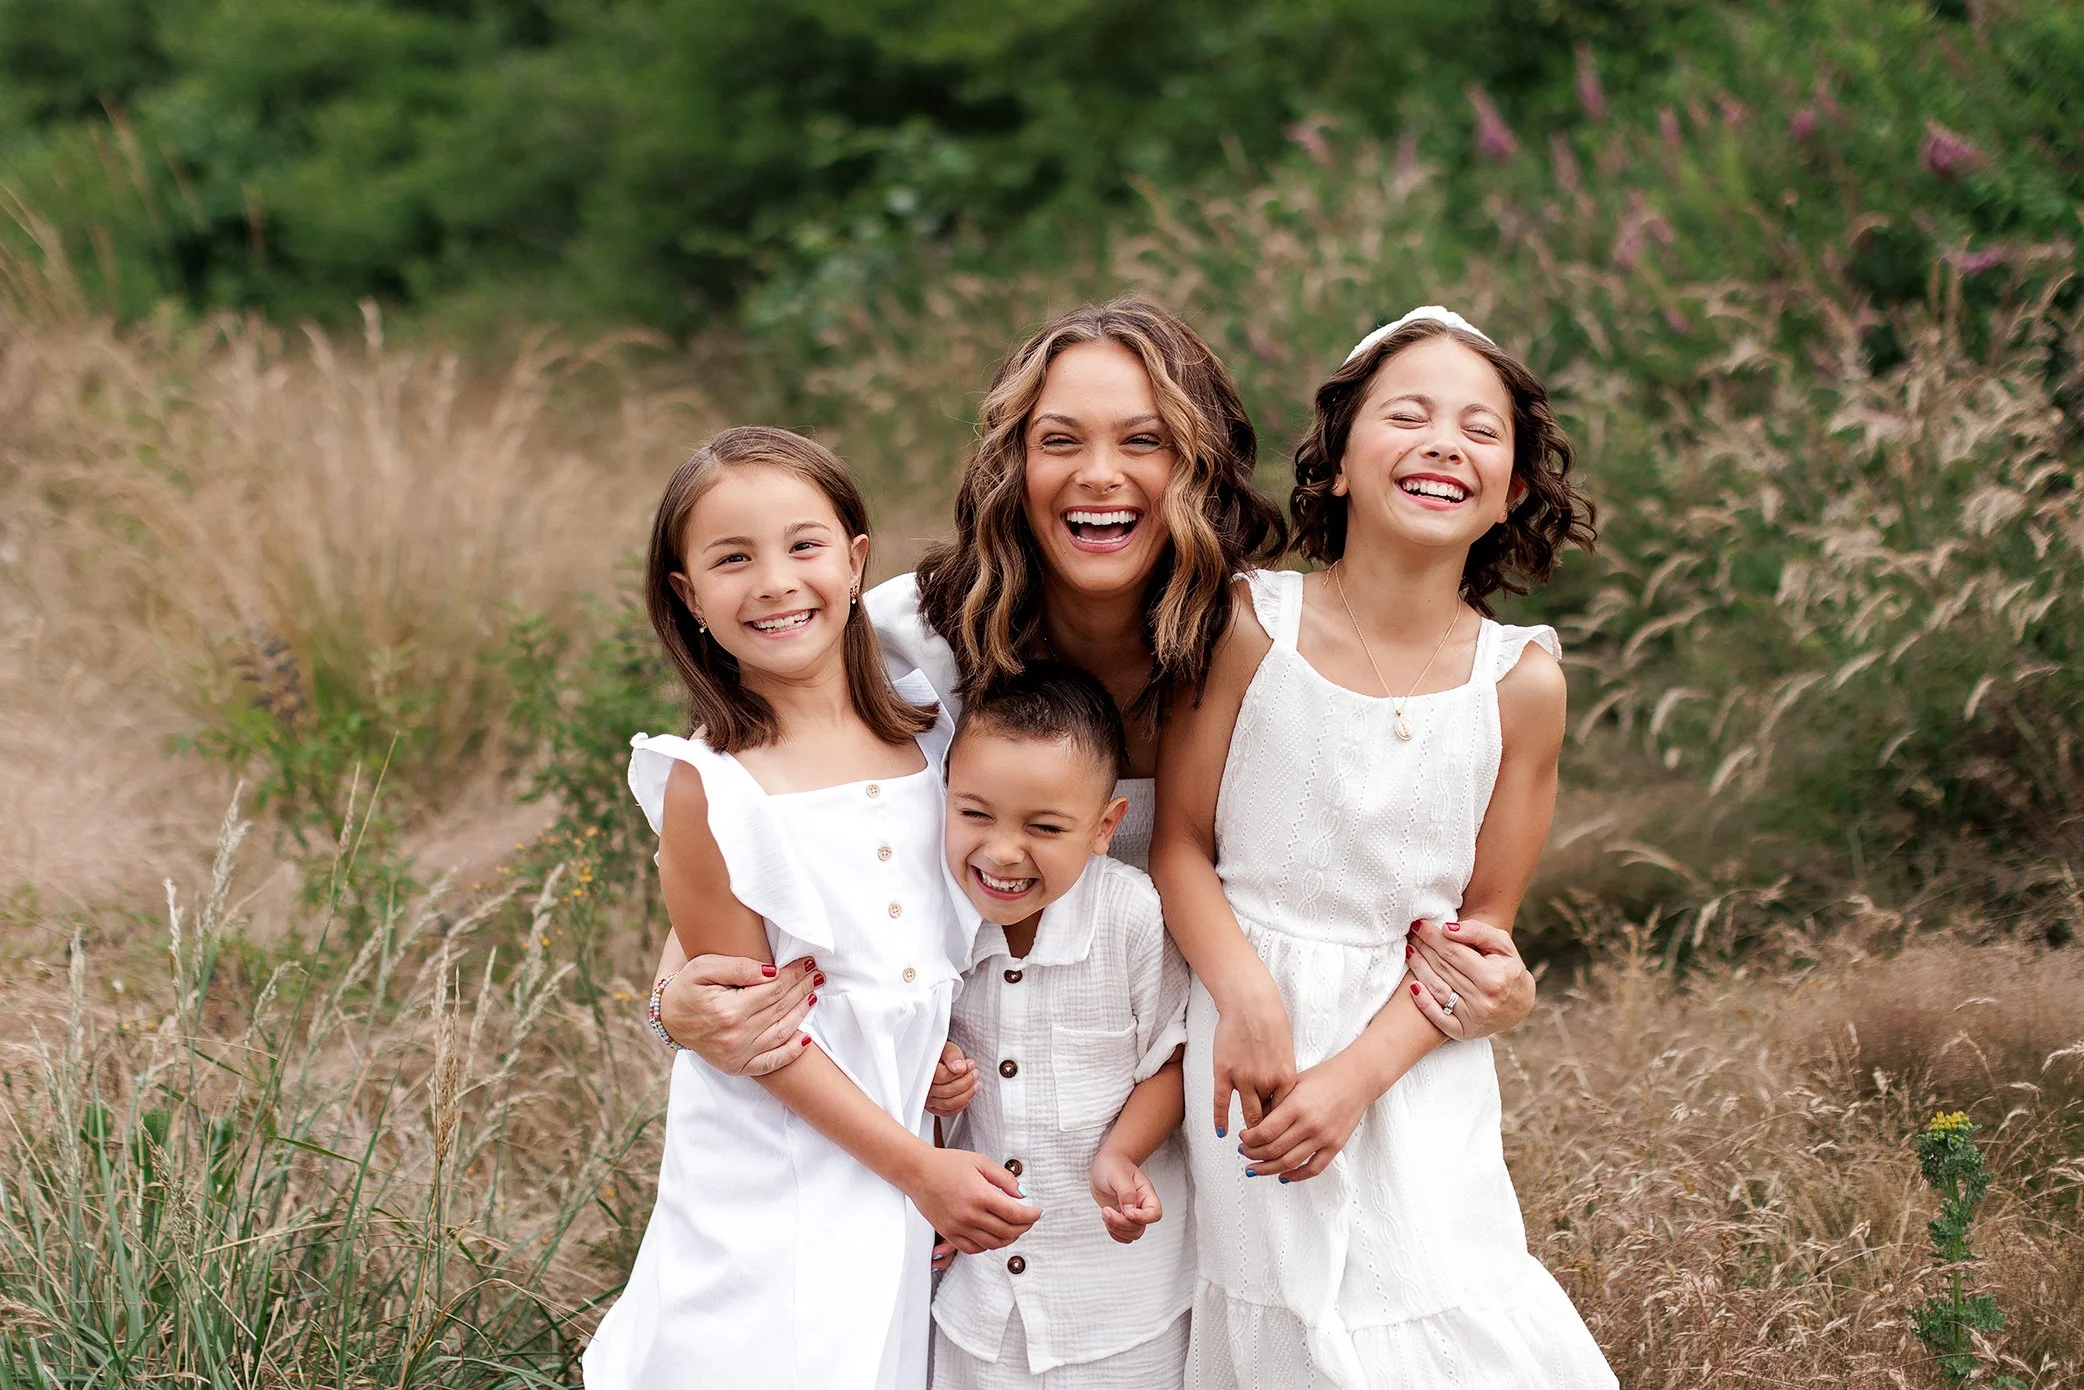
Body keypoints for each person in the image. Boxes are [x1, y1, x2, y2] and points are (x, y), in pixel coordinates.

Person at [1149, 308, 1615, 1388]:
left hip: (1409, 1059)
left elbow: (1481, 933)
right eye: (1407, 416)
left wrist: (1356, 1080)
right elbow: (1177, 844)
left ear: (1510, 491)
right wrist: (1246, 998)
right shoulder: (1249, 624)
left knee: (1443, 1309)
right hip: (1246, 1040)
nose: (1443, 442)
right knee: (1285, 1321)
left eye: (1479, 430)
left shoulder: (1520, 683)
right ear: (1337, 463)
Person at [583, 427, 1038, 1390]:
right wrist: (919, 1167)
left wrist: (919, 1048)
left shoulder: (931, 735)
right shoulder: (712, 784)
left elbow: (895, 958)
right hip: (776, 1167)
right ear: (688, 596)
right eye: (732, 559)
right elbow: (758, 1030)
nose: (776, 582)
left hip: (896, 1161)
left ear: (855, 559)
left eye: (803, 545)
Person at [927, 663, 1194, 1388]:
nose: (1003, 852)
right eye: (975, 814)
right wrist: (932, 1080)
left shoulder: (1130, 914)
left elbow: (1171, 1058)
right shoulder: (932, 920)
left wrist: (1122, 1154)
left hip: (1118, 1301)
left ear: (1105, 827)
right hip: (976, 1301)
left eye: (1044, 827)